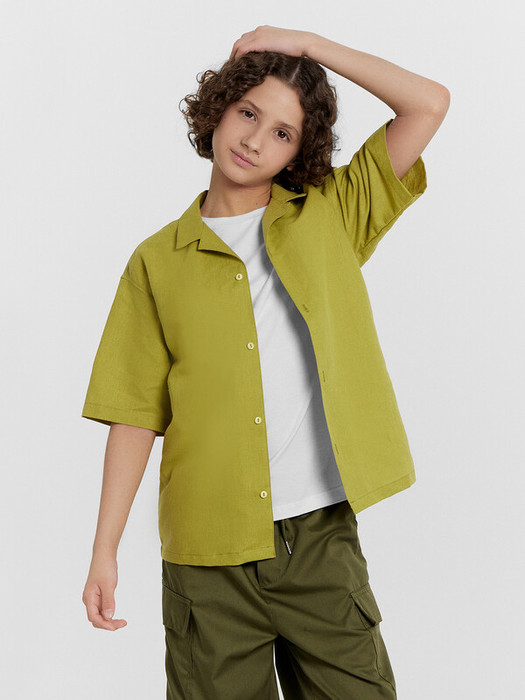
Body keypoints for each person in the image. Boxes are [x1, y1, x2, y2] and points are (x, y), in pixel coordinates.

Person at [81, 25, 449, 700]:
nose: (254, 140)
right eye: (248, 112)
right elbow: (134, 413)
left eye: (282, 132)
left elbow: (427, 103)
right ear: (219, 108)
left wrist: (308, 44)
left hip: (318, 541)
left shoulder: (332, 215)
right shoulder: (156, 262)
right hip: (206, 557)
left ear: (298, 151)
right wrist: (104, 549)